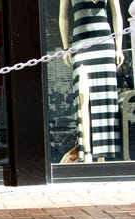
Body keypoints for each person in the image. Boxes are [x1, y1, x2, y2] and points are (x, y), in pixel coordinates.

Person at [59, 0, 123, 162]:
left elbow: (117, 15)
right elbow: (63, 17)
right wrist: (65, 48)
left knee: (103, 101)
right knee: (82, 95)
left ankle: (100, 157)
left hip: (104, 43)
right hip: (80, 45)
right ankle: (86, 152)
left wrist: (119, 47)